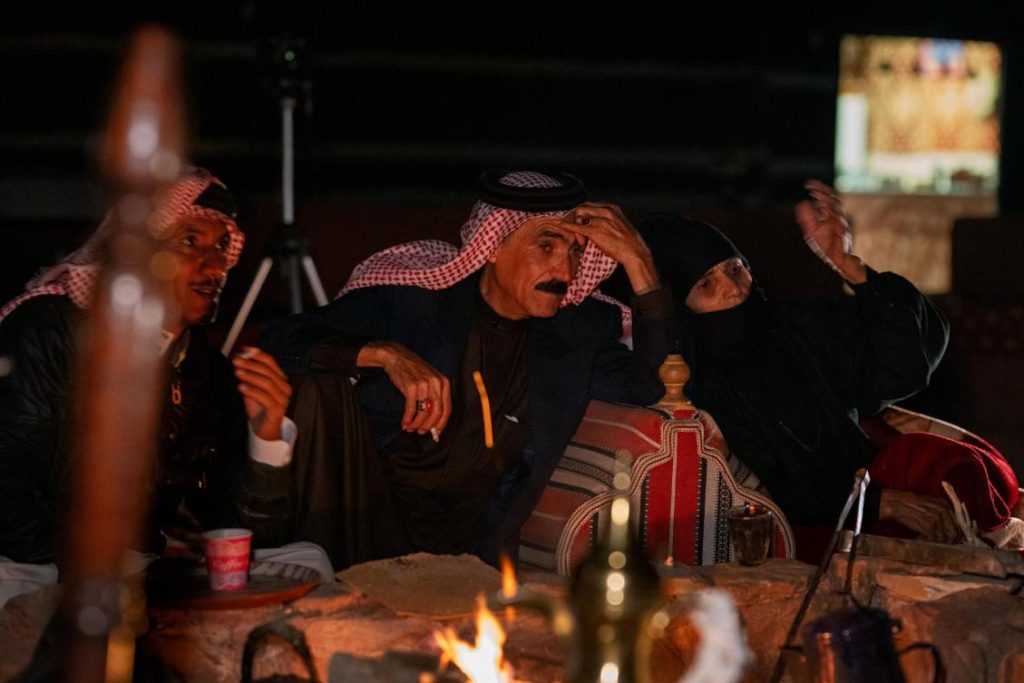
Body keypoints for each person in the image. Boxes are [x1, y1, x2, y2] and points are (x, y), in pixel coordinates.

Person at [261, 169, 671, 568]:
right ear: (492, 244)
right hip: (368, 521)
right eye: (546, 246)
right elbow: (280, 341)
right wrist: (388, 355)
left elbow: (652, 384)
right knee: (318, 390)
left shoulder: (576, 333)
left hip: (474, 551)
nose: (565, 271)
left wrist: (641, 263)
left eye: (576, 251)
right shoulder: (412, 303)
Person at [641, 179, 1022, 562]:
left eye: (736, 269)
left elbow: (903, 365)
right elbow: (750, 489)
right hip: (801, 528)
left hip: (871, 485)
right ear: (684, 306)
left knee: (958, 463)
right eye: (708, 285)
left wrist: (848, 265)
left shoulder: (798, 326)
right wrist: (875, 504)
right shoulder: (697, 379)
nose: (735, 290)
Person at [0, 166, 297, 581]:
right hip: (30, 563)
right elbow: (8, 492)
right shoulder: (49, 332)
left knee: (307, 560)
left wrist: (266, 442)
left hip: (133, 567)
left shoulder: (204, 367)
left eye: (223, 247)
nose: (215, 266)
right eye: (189, 241)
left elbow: (234, 533)